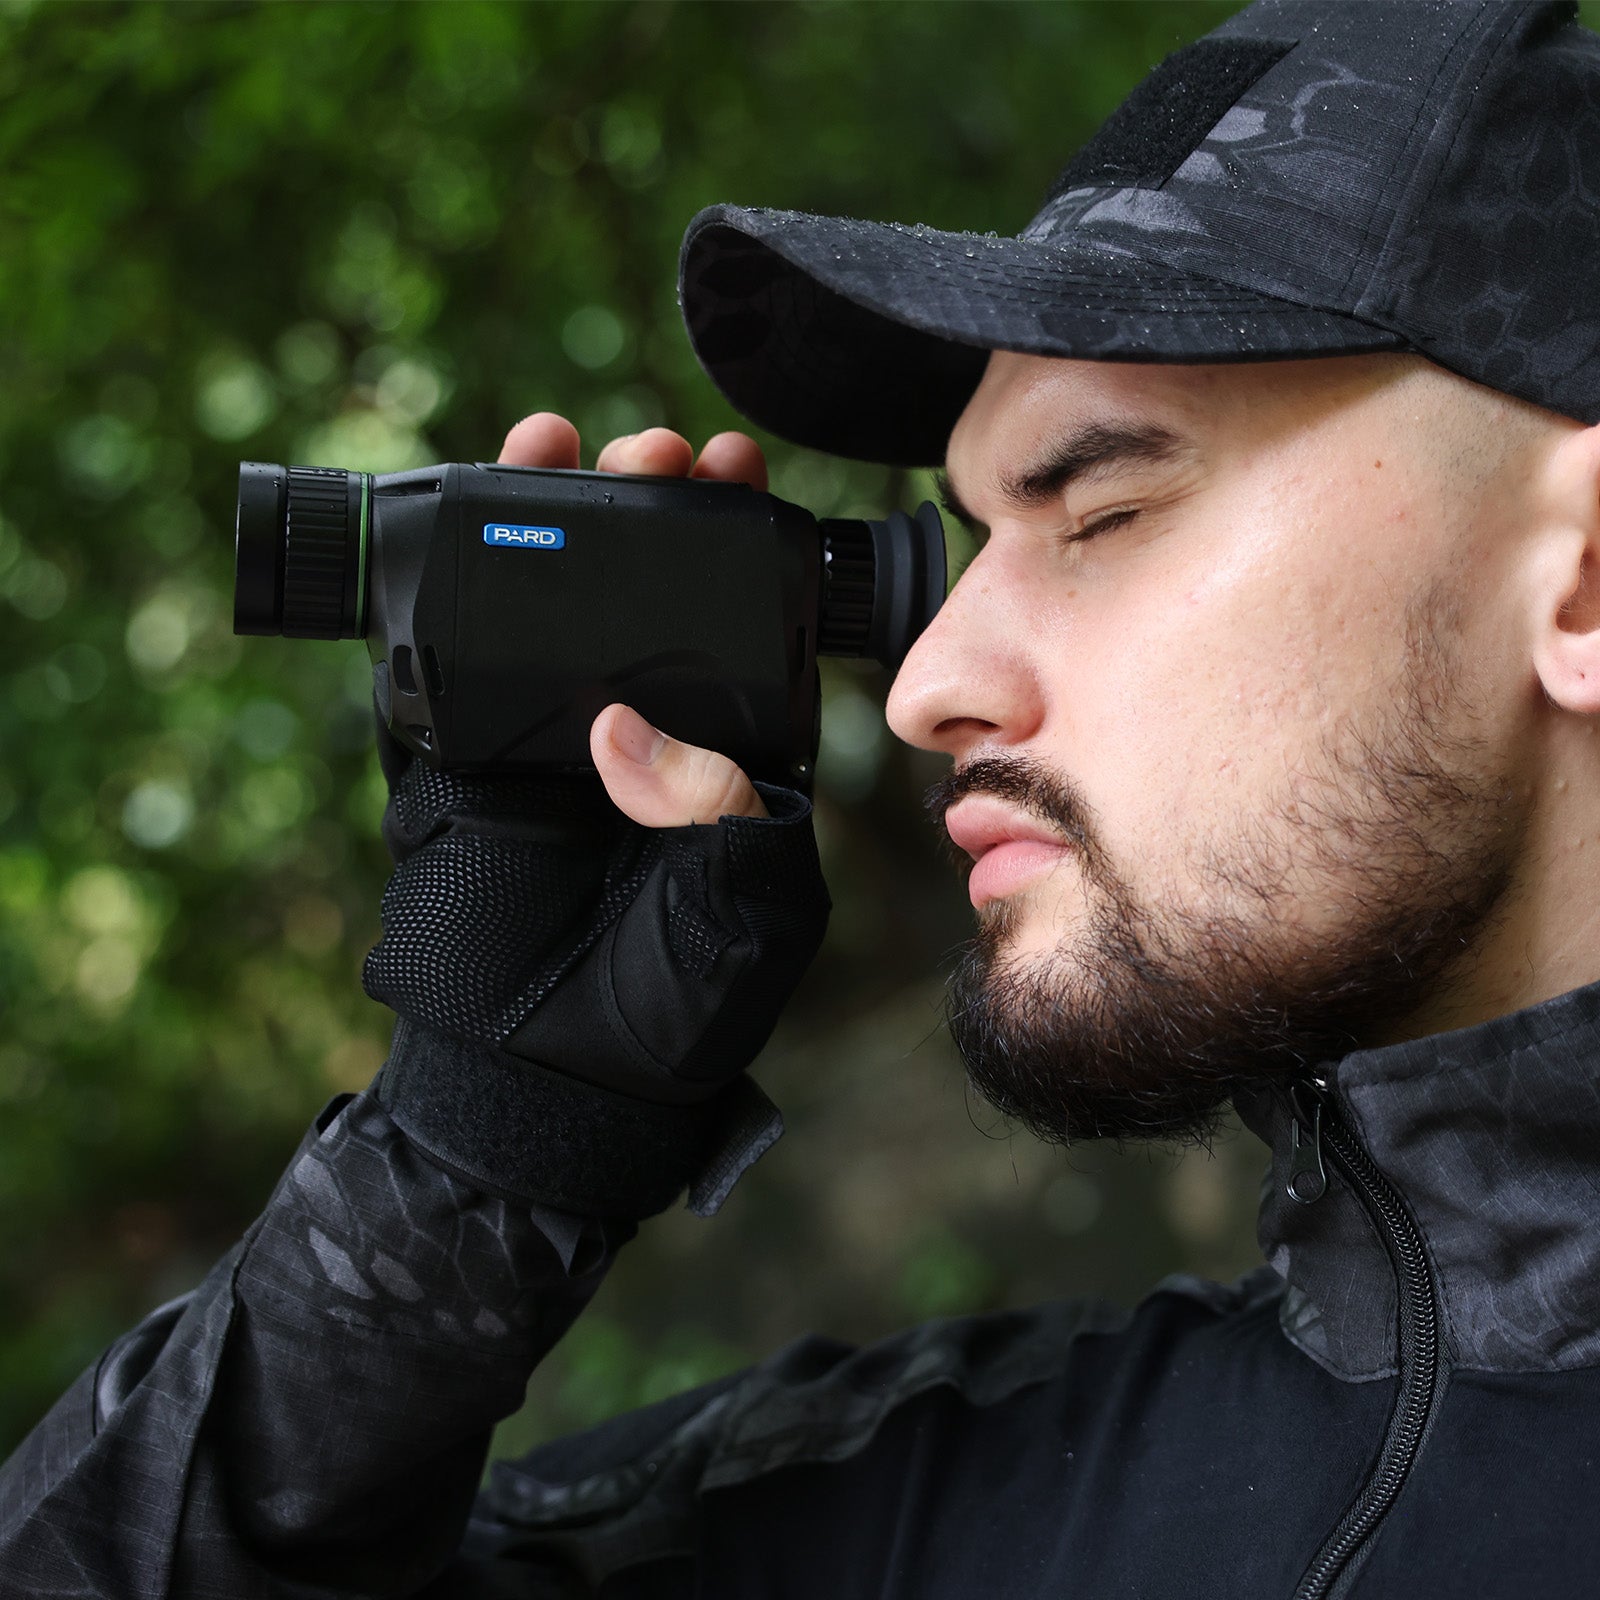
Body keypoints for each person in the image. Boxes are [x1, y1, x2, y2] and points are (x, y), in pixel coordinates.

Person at [5, 0, 1600, 1593]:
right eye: (966, 539)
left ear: (1583, 584)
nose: (922, 686)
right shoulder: (930, 1507)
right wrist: (476, 1158)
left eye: (1102, 510)